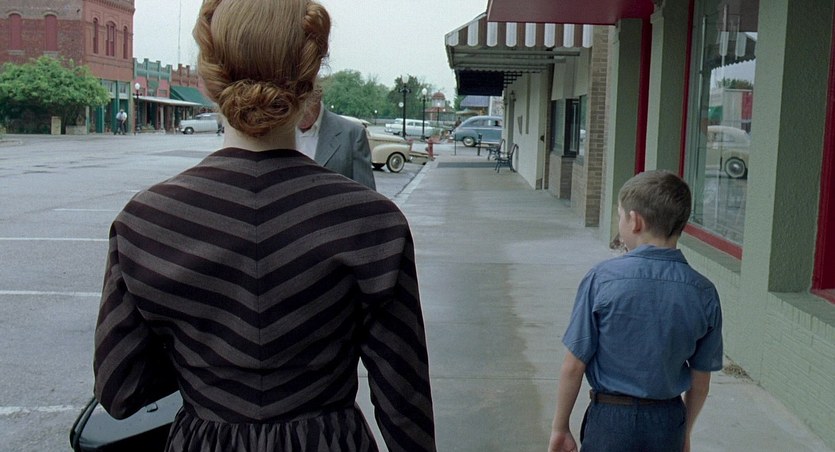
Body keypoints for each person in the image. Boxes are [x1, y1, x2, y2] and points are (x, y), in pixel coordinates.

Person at [93, 1, 436, 451]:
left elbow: (120, 390)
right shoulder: (371, 223)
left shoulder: (146, 222)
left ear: (208, 82)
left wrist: (205, 369)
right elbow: (406, 409)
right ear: (310, 81)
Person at [548, 170, 723, 452]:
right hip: (667, 421)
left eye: (620, 216)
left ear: (635, 221)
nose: (619, 224)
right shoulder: (704, 292)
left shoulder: (601, 279)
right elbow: (700, 379)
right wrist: (685, 433)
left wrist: (560, 427)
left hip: (611, 421)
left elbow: (573, 365)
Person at [297, 92, 376, 189]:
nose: (297, 112)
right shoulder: (279, 131)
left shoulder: (352, 135)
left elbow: (366, 194)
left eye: (303, 102)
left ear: (317, 95)